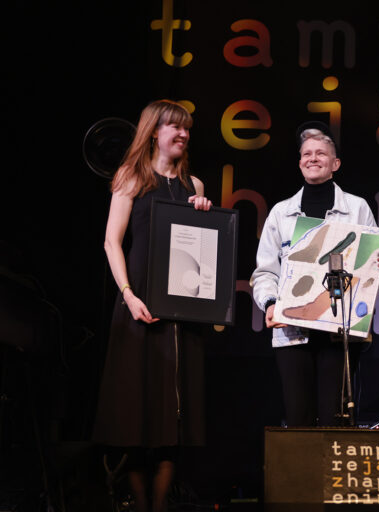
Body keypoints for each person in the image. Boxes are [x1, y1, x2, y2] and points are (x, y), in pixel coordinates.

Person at [92, 99, 213, 512]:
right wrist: (128, 294)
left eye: (187, 129)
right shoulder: (131, 177)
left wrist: (204, 214)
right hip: (139, 307)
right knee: (135, 412)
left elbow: (202, 250)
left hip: (181, 315)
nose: (183, 134)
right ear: (154, 131)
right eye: (175, 127)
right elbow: (112, 242)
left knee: (173, 419)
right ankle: (140, 504)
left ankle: (159, 506)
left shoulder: (193, 186)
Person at [251, 126, 379, 427]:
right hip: (291, 332)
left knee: (334, 419)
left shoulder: (357, 208)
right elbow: (264, 271)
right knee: (298, 417)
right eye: (306, 154)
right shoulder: (281, 213)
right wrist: (271, 303)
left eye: (321, 154)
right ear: (300, 162)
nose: (313, 159)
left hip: (338, 334)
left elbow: (371, 270)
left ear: (335, 163)